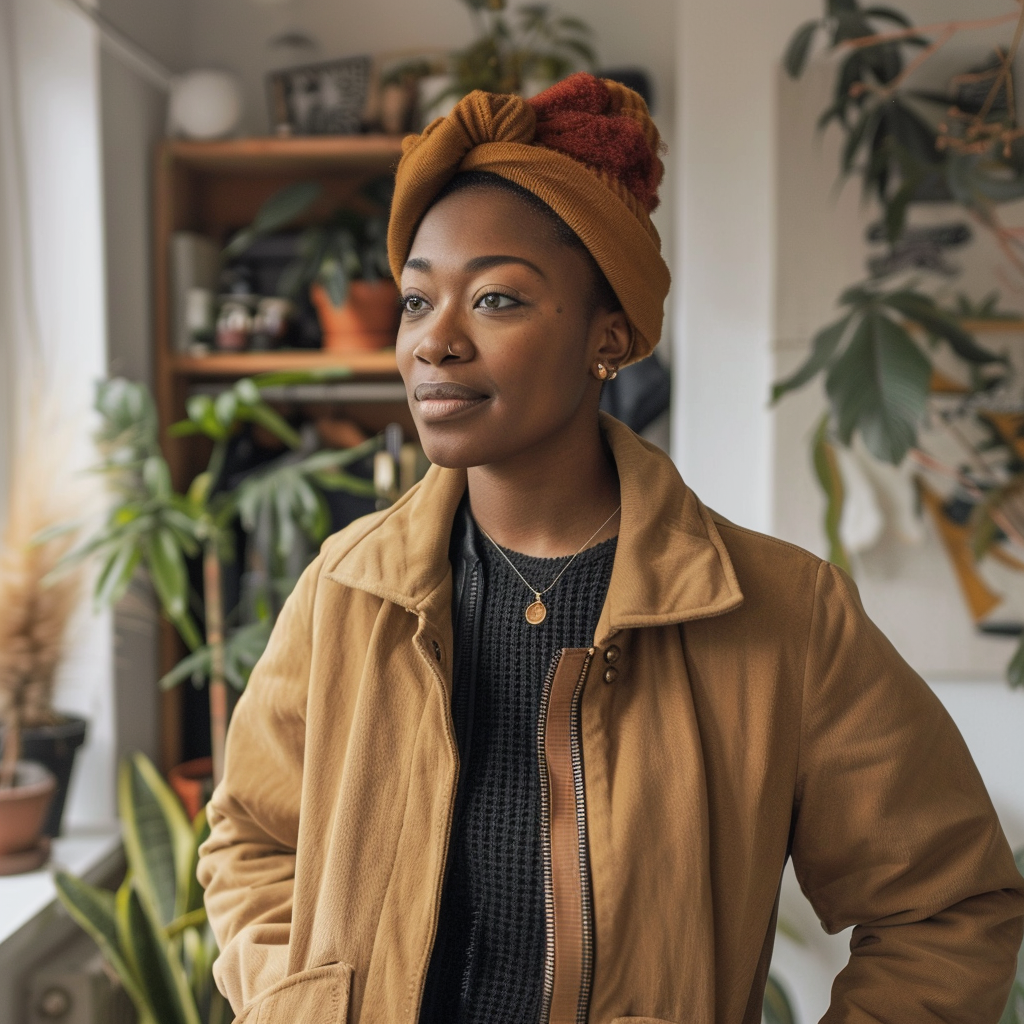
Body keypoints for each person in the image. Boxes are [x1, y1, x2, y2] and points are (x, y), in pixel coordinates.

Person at [197, 73, 1024, 1024]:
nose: (436, 343)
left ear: (611, 334)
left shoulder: (781, 614)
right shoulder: (347, 588)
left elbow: (948, 904)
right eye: (418, 302)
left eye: (498, 299)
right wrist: (298, 1007)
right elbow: (251, 836)